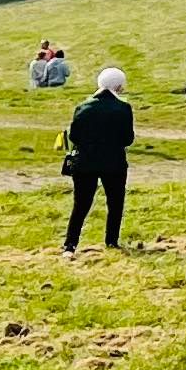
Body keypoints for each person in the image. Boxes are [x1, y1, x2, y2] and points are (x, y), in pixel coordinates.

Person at [63, 66, 137, 250]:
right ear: (119, 86)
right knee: (115, 203)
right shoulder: (123, 108)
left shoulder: (82, 107)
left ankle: (70, 244)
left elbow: (74, 137)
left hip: (85, 161)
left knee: (80, 205)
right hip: (114, 162)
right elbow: (128, 139)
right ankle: (111, 241)